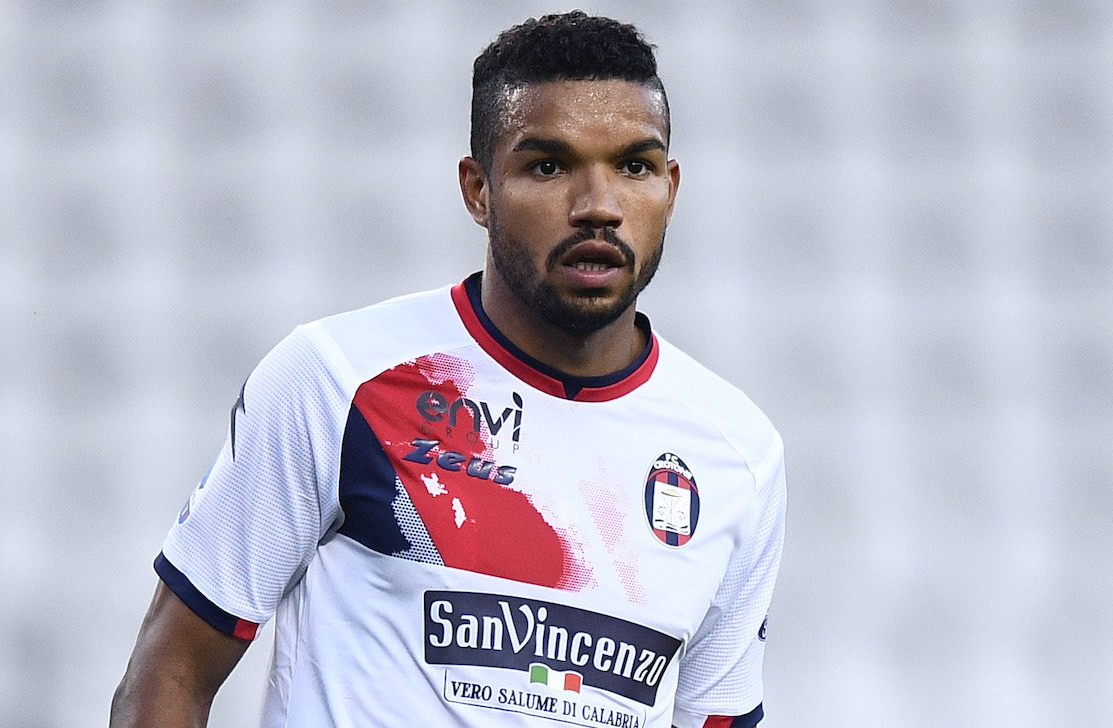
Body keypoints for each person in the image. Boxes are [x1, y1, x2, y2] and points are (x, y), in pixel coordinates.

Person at [111, 11, 785, 728]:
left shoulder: (737, 456)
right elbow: (170, 674)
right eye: (549, 166)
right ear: (478, 190)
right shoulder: (339, 381)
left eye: (634, 166)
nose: (599, 207)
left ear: (671, 190)